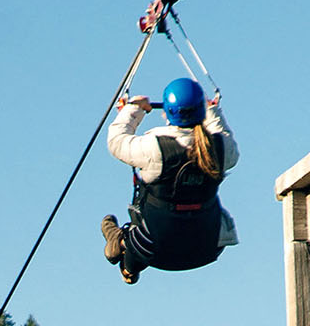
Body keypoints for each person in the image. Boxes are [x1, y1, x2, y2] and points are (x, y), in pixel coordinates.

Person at [100, 77, 239, 283]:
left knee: (146, 236)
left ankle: (123, 248)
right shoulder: (222, 149)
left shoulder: (154, 148)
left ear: (167, 112)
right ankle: (124, 249)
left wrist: (132, 109)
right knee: (159, 231)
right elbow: (222, 134)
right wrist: (212, 111)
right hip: (207, 248)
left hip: (155, 248)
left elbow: (117, 142)